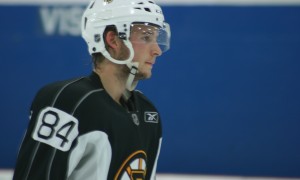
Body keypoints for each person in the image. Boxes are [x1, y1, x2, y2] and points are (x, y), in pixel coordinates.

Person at [12, 0, 171, 179]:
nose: (157, 50)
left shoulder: (148, 113)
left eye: (157, 38)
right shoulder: (68, 101)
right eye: (146, 37)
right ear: (113, 40)